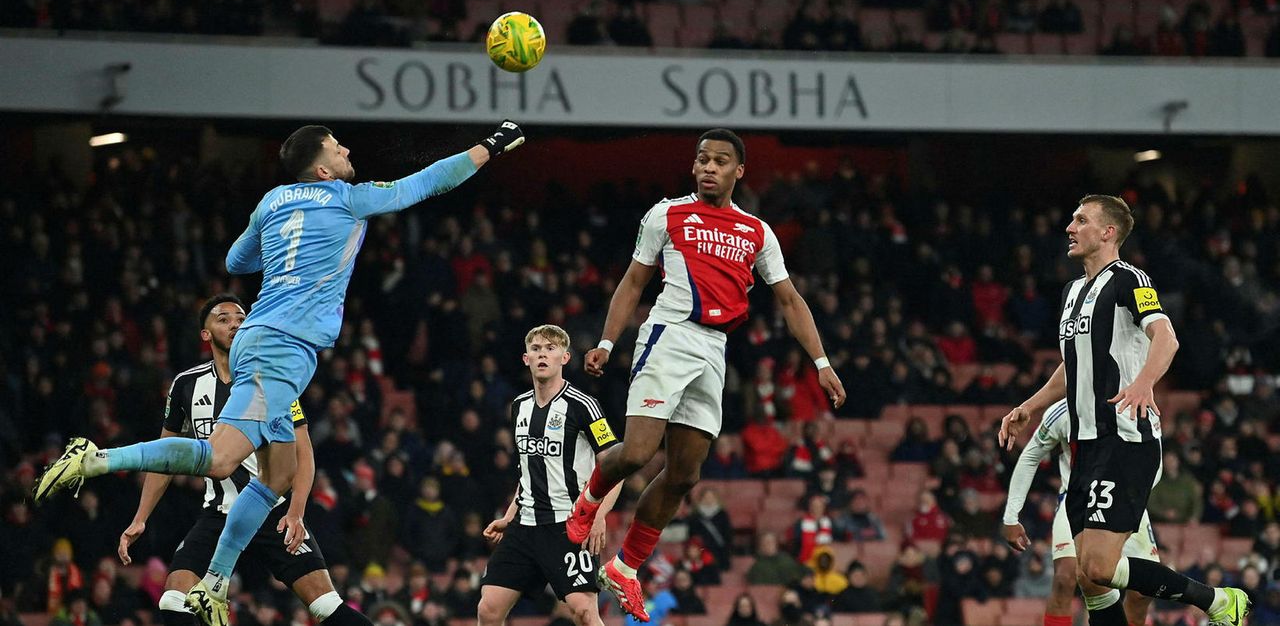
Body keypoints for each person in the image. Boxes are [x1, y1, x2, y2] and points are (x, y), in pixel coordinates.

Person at [34, 120, 527, 626]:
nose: (347, 150)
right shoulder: (346, 198)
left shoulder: (271, 201)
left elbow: (236, 258)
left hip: (265, 337)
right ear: (322, 168)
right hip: (281, 347)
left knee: (280, 475)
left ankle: (216, 584)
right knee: (223, 460)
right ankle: (97, 459)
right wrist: (490, 146)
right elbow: (428, 182)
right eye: (338, 147)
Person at [565, 129, 846, 621]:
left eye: (719, 161)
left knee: (685, 474)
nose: (708, 168)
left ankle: (626, 569)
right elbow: (634, 281)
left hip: (714, 348)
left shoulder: (756, 231)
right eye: (702, 160)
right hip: (669, 335)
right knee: (636, 452)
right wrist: (608, 342)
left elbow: (789, 299)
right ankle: (587, 503)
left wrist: (821, 363)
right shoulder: (666, 213)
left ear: (739, 171)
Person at [999, 194, 1250, 626]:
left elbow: (1166, 337)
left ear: (1108, 232)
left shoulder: (1129, 280)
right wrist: (1029, 406)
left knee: (1096, 568)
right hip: (1086, 445)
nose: (1069, 227)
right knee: (1091, 580)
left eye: (1081, 220)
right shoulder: (1072, 291)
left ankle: (1218, 601)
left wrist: (1143, 383)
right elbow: (1072, 365)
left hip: (1126, 439)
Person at [116, 295, 370, 626]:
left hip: (273, 513)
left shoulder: (273, 381)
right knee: (173, 599)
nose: (235, 323)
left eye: (240, 318)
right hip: (218, 515)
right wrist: (140, 517)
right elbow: (165, 457)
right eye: (223, 319)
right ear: (205, 334)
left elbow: (304, 455)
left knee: (325, 606)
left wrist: (296, 513)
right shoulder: (185, 386)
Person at [478, 324, 622, 626]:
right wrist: (508, 517)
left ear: (565, 358)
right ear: (526, 359)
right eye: (536, 349)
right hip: (525, 527)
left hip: (568, 526)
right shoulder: (518, 407)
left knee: (584, 611)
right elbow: (527, 474)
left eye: (550, 349)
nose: (543, 354)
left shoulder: (584, 406)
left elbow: (616, 468)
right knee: (488, 610)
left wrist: (598, 516)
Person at [1002, 398, 1157, 626]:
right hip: (1076, 500)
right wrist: (1011, 516)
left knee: (1143, 592)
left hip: (1125, 499)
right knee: (1066, 577)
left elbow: (1155, 456)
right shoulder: (1063, 411)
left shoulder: (1132, 406)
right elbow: (1031, 455)